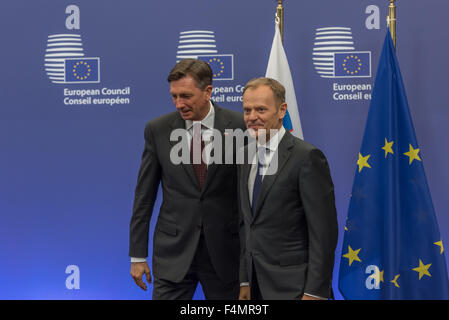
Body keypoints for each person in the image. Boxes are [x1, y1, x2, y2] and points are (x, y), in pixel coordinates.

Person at [129, 59, 246, 299]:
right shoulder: (158, 129)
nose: (178, 103)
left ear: (208, 92)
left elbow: (250, 195)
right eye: (174, 96)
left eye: (185, 95)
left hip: (226, 255)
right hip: (174, 254)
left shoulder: (239, 126)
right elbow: (144, 196)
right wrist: (138, 255)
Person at [238, 77, 338, 300]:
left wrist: (315, 292)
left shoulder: (307, 157)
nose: (252, 117)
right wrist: (245, 279)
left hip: (296, 289)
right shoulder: (244, 155)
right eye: (247, 110)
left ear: (282, 110)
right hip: (256, 286)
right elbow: (246, 224)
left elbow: (323, 233)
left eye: (261, 109)